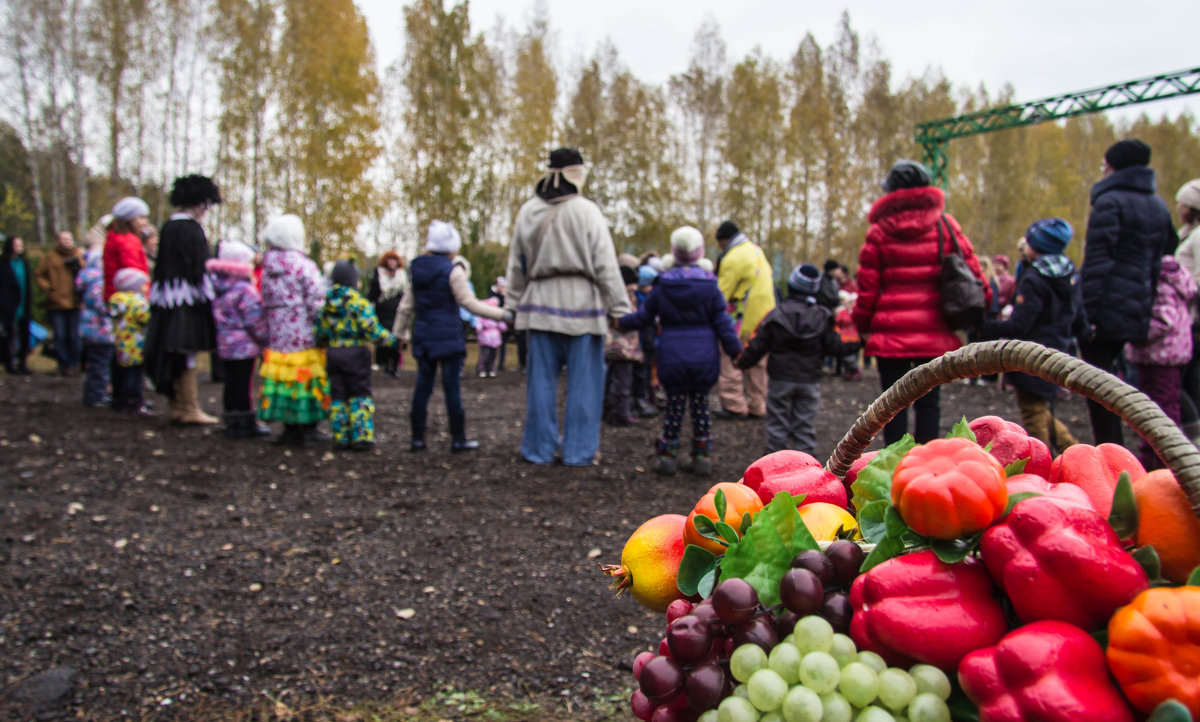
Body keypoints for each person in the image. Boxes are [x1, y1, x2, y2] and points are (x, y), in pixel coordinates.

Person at [504, 147, 631, 466]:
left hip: (539, 305)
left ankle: (539, 449)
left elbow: (516, 265)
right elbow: (605, 264)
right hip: (583, 306)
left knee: (540, 384)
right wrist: (619, 308)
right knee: (586, 386)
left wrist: (512, 305)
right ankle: (579, 451)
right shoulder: (587, 211)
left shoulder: (528, 211)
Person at [852, 159, 990, 445]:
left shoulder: (879, 232)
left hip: (890, 336)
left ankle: (893, 469)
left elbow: (867, 289)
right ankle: (926, 471)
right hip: (934, 334)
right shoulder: (945, 225)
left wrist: (863, 325)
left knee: (890, 408)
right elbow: (975, 275)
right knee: (930, 404)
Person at [618, 226, 741, 476]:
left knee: (674, 408)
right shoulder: (711, 286)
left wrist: (620, 321)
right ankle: (702, 456)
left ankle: (667, 456)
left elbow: (644, 317)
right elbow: (723, 323)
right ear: (700, 253)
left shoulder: (662, 285)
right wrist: (736, 350)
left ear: (673, 252)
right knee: (700, 407)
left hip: (672, 357)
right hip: (704, 358)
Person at [1080, 139, 1178, 445]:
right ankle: (1137, 451)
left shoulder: (1110, 202)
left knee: (1096, 385)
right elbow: (1165, 253)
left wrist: (1088, 313)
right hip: (1137, 306)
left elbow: (1098, 261)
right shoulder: (1158, 206)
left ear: (1113, 166)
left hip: (1105, 306)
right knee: (1122, 382)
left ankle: (1108, 453)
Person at [394, 221, 507, 453]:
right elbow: (470, 304)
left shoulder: (415, 270)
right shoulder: (452, 271)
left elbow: (406, 307)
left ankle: (417, 439)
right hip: (448, 339)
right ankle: (458, 439)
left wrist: (399, 334)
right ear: (451, 247)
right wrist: (504, 315)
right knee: (451, 388)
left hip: (424, 337)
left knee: (422, 387)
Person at [978, 218, 1090, 452]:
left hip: (1031, 355)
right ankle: (1075, 450)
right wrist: (1086, 334)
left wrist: (986, 326)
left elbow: (1020, 324)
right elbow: (1078, 315)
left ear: (1038, 246)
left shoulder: (1035, 279)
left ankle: (1044, 459)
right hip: (1058, 350)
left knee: (1032, 414)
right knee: (1040, 410)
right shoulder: (1069, 274)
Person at [737, 264, 861, 455]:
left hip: (780, 379)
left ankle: (773, 468)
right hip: (809, 380)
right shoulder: (823, 316)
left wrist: (741, 362)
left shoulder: (775, 314)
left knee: (777, 427)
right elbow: (837, 346)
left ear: (792, 285)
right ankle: (806, 471)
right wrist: (860, 341)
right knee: (804, 428)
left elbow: (757, 344)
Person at [143, 175, 222, 425]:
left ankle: (177, 404)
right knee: (185, 351)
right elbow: (199, 268)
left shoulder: (168, 227)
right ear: (200, 203)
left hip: (166, 299)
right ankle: (188, 406)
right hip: (187, 301)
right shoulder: (190, 229)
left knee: (171, 352)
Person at [257, 214, 329, 447]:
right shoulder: (303, 265)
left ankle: (289, 428)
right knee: (306, 381)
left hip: (278, 336)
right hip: (303, 335)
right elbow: (316, 299)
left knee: (284, 381)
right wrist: (323, 327)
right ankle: (308, 428)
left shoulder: (268, 268)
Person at [1126, 239, 1195, 469]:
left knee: (1157, 408)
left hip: (1158, 354)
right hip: (1170, 352)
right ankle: (1164, 456)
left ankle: (1158, 460)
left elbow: (1164, 319)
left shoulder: (1160, 279)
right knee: (1167, 404)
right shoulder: (1174, 277)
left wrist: (1135, 331)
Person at [316, 260, 398, 451]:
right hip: (355, 354)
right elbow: (371, 329)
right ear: (353, 280)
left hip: (334, 353)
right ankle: (361, 436)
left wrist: (321, 343)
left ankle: (340, 436)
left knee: (338, 395)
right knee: (359, 393)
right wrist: (392, 341)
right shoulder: (358, 303)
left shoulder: (327, 302)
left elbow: (321, 330)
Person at [713, 220, 776, 420]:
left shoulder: (732, 257)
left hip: (741, 319)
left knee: (732, 359)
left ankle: (735, 405)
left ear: (723, 239)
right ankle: (758, 405)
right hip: (765, 317)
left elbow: (721, 293)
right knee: (758, 362)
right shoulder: (757, 251)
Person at [207, 241, 270, 439]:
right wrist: (264, 337)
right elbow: (254, 319)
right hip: (244, 345)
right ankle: (245, 422)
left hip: (226, 344)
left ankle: (231, 420)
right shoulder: (245, 290)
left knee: (231, 382)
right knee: (243, 383)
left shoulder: (219, 288)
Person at [1173, 179, 1200, 444]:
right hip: (1187, 318)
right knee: (1190, 380)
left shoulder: (1198, 236)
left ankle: (1194, 437)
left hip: (1191, 320)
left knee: (1179, 383)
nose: (1178, 208)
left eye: (1182, 203)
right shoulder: (1188, 233)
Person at [35, 230, 84, 374]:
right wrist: (48, 288)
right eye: (63, 239)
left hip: (74, 301)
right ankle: (63, 364)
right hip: (56, 301)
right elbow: (39, 274)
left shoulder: (78, 254)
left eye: (69, 239)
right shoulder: (50, 256)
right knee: (60, 335)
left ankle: (74, 364)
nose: (66, 242)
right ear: (58, 241)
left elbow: (87, 272)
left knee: (74, 336)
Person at [108, 268, 151, 416]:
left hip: (121, 344)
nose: (146, 287)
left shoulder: (116, 300)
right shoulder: (138, 301)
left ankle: (119, 400)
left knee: (122, 373)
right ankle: (133, 402)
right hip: (136, 345)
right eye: (144, 284)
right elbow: (145, 318)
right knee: (135, 375)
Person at [604, 265, 644, 426]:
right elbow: (621, 321)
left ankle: (610, 410)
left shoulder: (620, 297)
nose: (635, 287)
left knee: (613, 380)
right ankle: (621, 413)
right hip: (623, 348)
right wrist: (640, 319)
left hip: (617, 346)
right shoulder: (622, 300)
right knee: (622, 382)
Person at [77, 248, 114, 406]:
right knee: (100, 365)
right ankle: (95, 396)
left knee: (96, 364)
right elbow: (102, 306)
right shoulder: (99, 283)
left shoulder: (88, 281)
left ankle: (95, 394)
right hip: (100, 330)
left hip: (92, 329)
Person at [366, 250, 406, 377]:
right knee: (383, 338)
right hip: (382, 313)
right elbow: (372, 294)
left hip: (397, 312)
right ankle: (383, 364)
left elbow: (406, 295)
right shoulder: (378, 275)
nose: (392, 262)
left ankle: (394, 365)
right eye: (390, 259)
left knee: (396, 338)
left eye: (394, 259)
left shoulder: (402, 276)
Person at [103, 197, 151, 301]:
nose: (145, 222)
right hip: (130, 301)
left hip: (115, 296)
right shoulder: (127, 241)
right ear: (130, 220)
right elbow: (132, 275)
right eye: (141, 217)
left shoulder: (114, 236)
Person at [0, 236, 32, 374]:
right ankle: (9, 363)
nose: (20, 247)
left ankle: (22, 362)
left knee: (24, 334)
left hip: (23, 303)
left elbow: (27, 283)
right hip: (7, 304)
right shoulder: (3, 263)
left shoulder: (23, 262)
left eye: (21, 244)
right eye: (17, 244)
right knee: (7, 335)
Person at [631, 264, 660, 417]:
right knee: (641, 373)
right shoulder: (640, 300)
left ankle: (645, 399)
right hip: (642, 343)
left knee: (647, 372)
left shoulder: (647, 298)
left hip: (649, 342)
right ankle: (639, 401)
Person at [474, 297, 506, 378]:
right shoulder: (482, 318)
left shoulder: (496, 318)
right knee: (485, 355)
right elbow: (478, 327)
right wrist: (481, 328)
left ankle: (491, 369)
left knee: (493, 355)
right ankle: (482, 369)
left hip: (495, 340)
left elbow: (503, 327)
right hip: (485, 340)